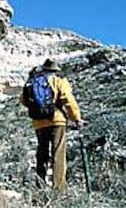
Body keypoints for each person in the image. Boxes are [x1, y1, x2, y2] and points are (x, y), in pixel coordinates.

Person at [19, 59, 85, 191]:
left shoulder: (33, 82)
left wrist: (38, 109)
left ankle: (40, 185)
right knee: (58, 154)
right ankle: (58, 189)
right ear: (55, 70)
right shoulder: (59, 81)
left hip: (38, 123)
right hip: (57, 121)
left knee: (42, 153)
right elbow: (68, 100)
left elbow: (23, 100)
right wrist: (77, 118)